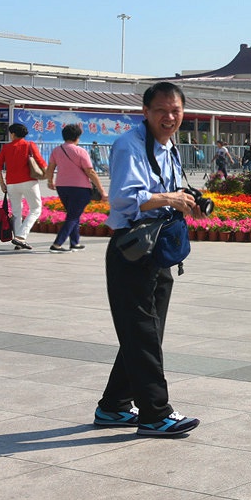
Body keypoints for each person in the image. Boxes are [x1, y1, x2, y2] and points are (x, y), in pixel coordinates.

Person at [98, 81, 206, 438]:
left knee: (146, 331)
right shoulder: (129, 145)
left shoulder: (169, 146)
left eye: (176, 110)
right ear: (145, 112)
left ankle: (114, 405)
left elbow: (165, 190)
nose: (169, 117)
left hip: (158, 248)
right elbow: (123, 198)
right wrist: (169, 199)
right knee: (143, 332)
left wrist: (187, 200)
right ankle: (155, 414)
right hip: (132, 249)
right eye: (161, 110)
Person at [44, 122, 106, 252]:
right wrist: (102, 190)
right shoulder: (80, 151)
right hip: (80, 188)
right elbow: (90, 171)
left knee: (73, 214)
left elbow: (50, 168)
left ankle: (75, 242)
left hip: (62, 186)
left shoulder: (57, 150)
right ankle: (57, 244)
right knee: (73, 216)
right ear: (77, 137)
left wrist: (50, 181)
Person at [0, 122, 47, 250]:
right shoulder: (29, 145)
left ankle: (18, 240)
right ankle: (21, 237)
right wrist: (49, 177)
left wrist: (2, 184)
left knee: (17, 212)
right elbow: (41, 162)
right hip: (29, 182)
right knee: (36, 208)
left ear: (13, 134)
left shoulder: (6, 147)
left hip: (11, 184)